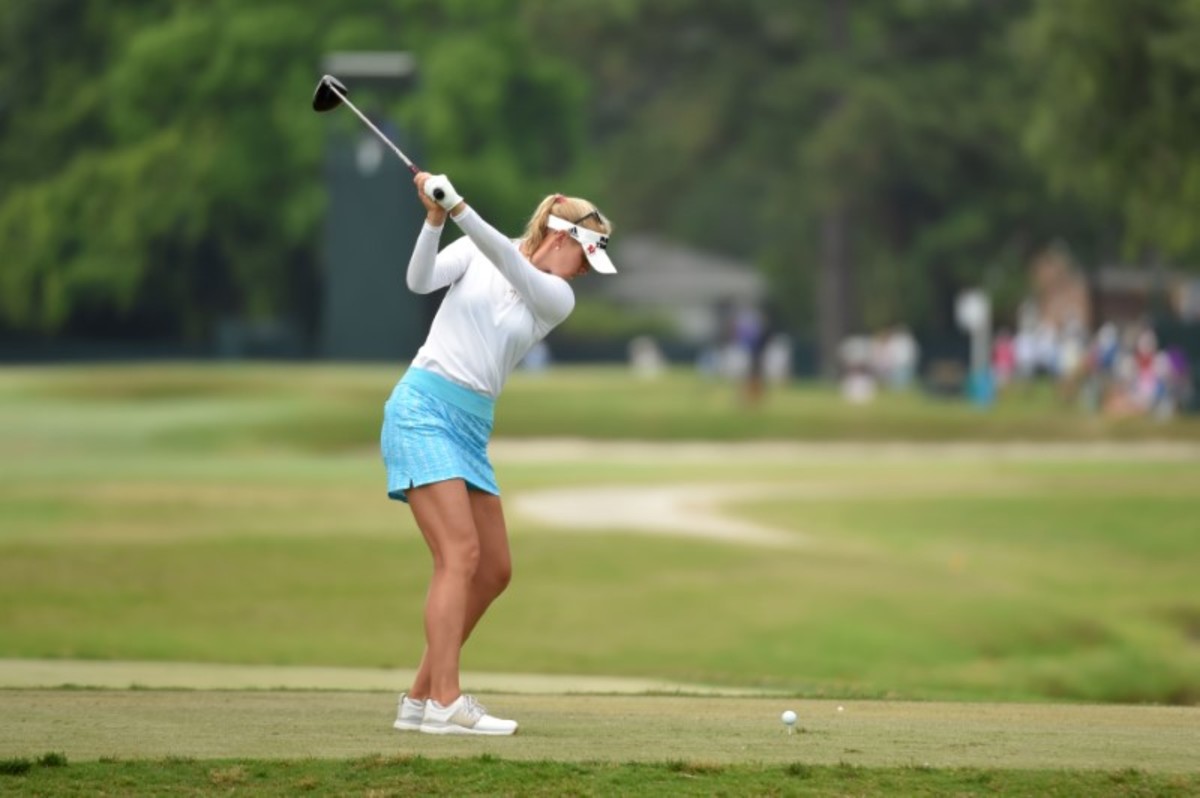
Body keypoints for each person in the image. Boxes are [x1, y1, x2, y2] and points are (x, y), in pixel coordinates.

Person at [381, 172, 615, 736]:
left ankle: (419, 697)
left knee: (494, 570)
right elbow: (419, 281)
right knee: (459, 555)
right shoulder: (477, 249)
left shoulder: (556, 296)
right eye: (584, 257)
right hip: (421, 409)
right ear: (559, 237)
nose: (584, 272)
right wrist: (435, 220)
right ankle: (446, 703)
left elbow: (509, 262)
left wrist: (459, 207)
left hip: (470, 428)